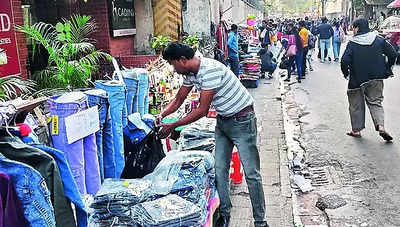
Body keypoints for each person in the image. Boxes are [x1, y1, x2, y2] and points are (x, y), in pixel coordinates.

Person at [159, 42, 269, 227]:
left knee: (252, 174)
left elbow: (202, 110)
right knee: (219, 169)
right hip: (224, 122)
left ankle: (260, 221)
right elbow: (179, 98)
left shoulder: (209, 70)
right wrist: (161, 115)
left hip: (243, 121)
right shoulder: (191, 73)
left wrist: (174, 125)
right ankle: (225, 214)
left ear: (182, 60)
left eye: (172, 63)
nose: (173, 68)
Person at [340, 18, 396, 141]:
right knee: (376, 102)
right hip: (376, 78)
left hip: (357, 80)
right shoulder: (379, 40)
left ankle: (356, 130)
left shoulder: (352, 43)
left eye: (353, 28)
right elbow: (392, 54)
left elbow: (344, 61)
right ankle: (380, 126)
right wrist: (387, 68)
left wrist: (346, 74)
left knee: (356, 105)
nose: (353, 30)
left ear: (357, 28)